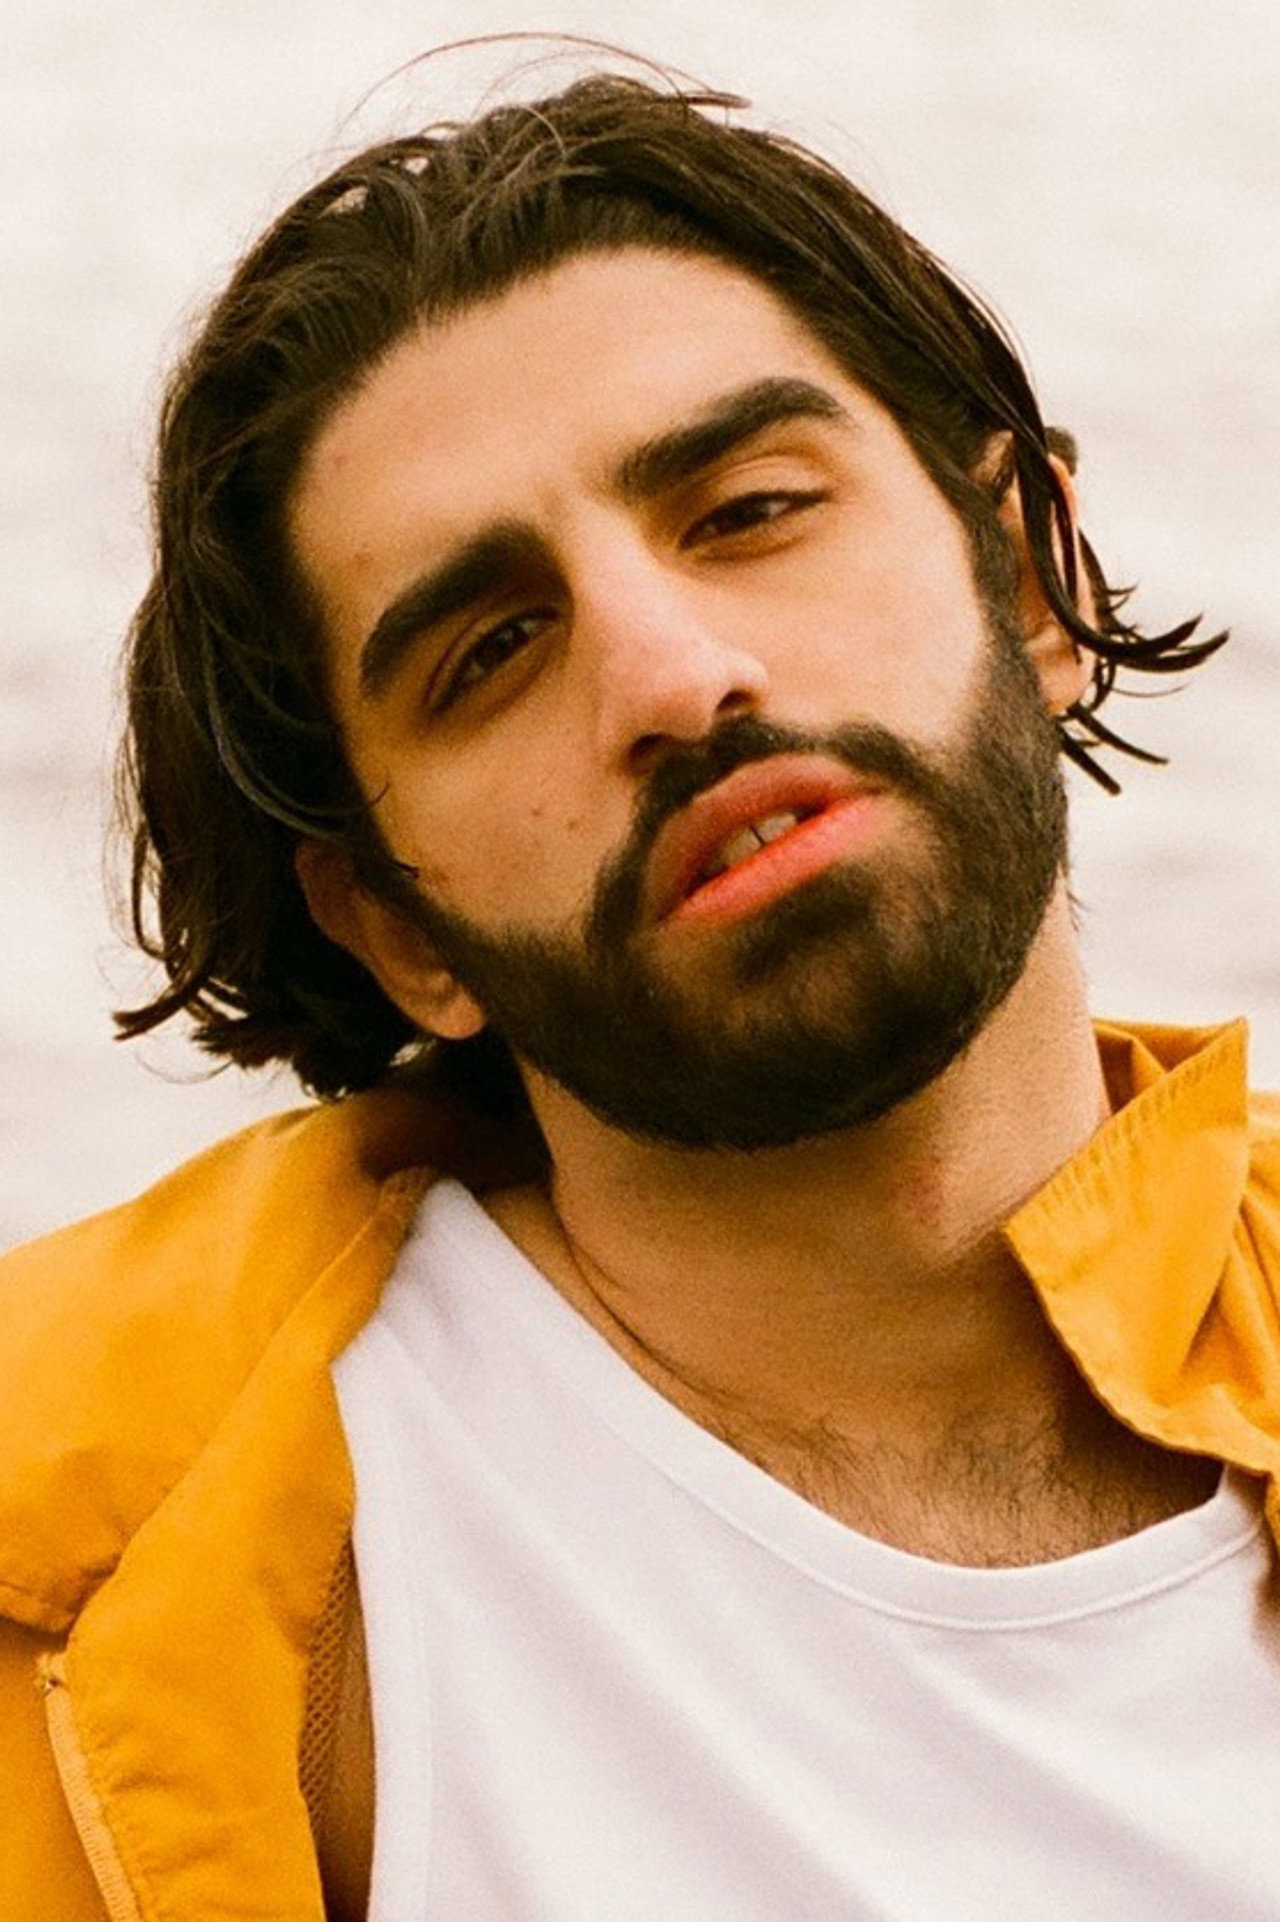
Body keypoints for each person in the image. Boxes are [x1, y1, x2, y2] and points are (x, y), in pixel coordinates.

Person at [2, 67, 1277, 1922]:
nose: (675, 675)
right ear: (400, 929)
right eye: (494, 648)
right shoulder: (147, 1584)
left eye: (750, 508)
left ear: (1028, 576)